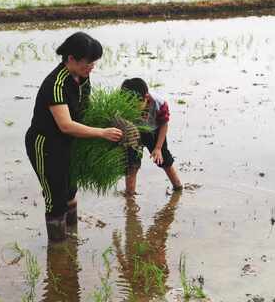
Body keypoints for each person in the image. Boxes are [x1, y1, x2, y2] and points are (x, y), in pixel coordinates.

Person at [25, 32, 122, 242]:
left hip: (69, 143)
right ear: (71, 59)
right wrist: (102, 133)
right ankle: (58, 251)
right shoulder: (55, 84)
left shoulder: (83, 78)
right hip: (45, 144)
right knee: (55, 198)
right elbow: (66, 125)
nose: (92, 66)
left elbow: (86, 111)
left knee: (70, 192)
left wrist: (109, 121)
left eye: (94, 62)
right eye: (88, 62)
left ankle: (72, 241)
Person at [121, 78, 182, 196]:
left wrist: (158, 148)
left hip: (153, 131)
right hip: (133, 132)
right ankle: (130, 195)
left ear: (146, 98)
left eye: (135, 106)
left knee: (164, 160)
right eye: (129, 106)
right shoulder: (121, 102)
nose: (132, 109)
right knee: (131, 165)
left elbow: (164, 124)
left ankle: (178, 187)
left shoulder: (159, 103)